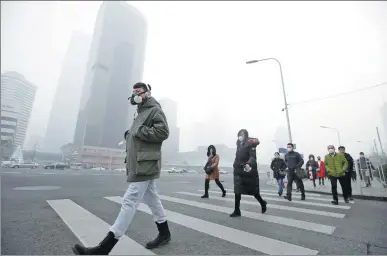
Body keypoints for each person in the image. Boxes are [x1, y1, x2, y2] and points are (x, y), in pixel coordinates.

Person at [72, 83, 171, 255]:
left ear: (147, 93)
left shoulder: (154, 109)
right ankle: (165, 233)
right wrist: (130, 133)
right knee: (152, 198)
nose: (135, 95)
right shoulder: (140, 111)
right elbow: (141, 132)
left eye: (139, 92)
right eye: (134, 93)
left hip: (145, 163)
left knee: (129, 200)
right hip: (140, 161)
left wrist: (138, 131)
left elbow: (163, 132)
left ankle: (104, 248)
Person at [230, 129, 267, 217]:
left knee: (253, 191)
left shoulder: (250, 145)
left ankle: (262, 203)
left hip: (248, 171)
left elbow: (253, 157)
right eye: (239, 135)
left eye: (242, 135)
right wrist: (235, 164)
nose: (240, 137)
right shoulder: (239, 145)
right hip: (238, 170)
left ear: (246, 136)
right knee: (237, 191)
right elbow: (237, 157)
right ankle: (237, 210)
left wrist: (248, 164)